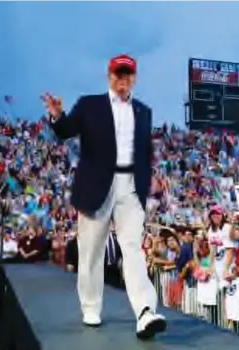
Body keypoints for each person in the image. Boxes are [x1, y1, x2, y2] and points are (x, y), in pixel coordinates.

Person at [42, 54, 165, 339]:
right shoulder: (89, 104)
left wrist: (149, 178)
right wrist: (57, 115)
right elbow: (65, 131)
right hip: (97, 184)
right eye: (117, 74)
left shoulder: (144, 111)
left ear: (134, 77)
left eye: (127, 74)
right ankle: (91, 305)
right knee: (91, 250)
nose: (122, 79)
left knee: (133, 247)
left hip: (131, 185)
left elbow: (143, 149)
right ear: (109, 75)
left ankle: (145, 311)